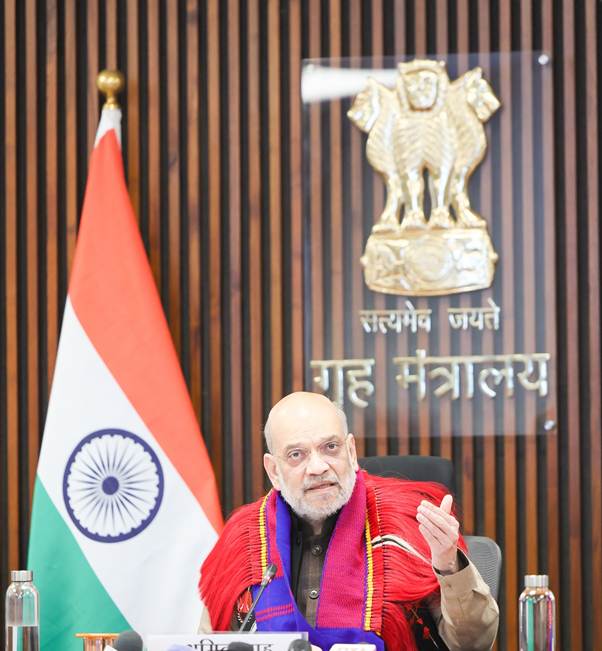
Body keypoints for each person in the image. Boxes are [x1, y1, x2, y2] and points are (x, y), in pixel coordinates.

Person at [199, 392, 499, 650]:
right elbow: (208, 641)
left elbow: (474, 643)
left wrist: (448, 565)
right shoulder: (245, 540)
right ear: (274, 470)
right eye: (296, 455)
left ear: (351, 452)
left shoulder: (407, 524)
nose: (317, 467)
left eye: (330, 447)